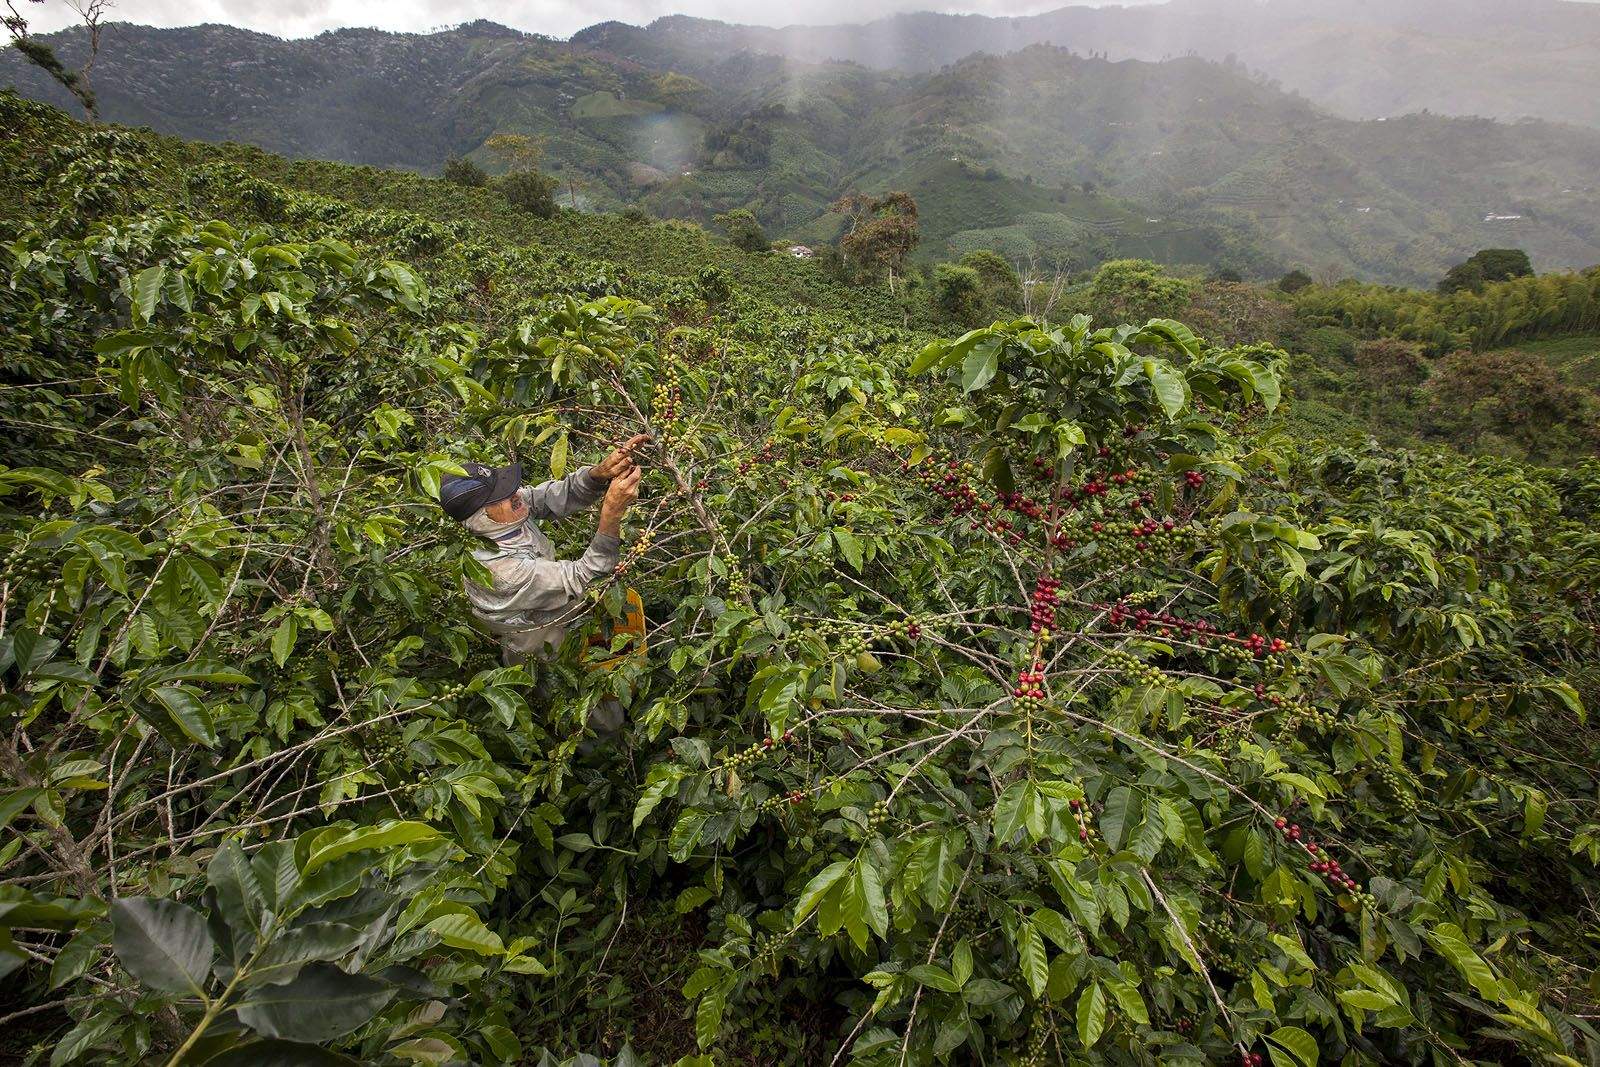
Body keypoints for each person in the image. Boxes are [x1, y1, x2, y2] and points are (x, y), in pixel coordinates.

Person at [438, 434, 651, 683]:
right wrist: (612, 513)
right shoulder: (501, 571)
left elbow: (552, 497)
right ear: (481, 518)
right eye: (502, 496)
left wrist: (597, 474)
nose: (516, 494)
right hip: (536, 637)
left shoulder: (505, 516)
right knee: (574, 686)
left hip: (555, 608)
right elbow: (588, 577)